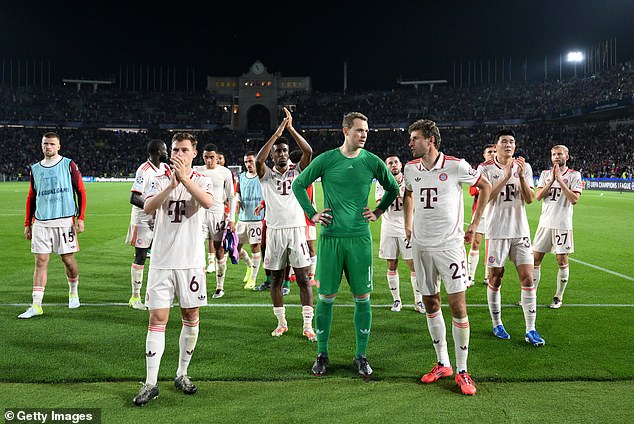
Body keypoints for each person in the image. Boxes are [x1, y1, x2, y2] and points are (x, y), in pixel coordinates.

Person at [293, 112, 399, 378]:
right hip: (331, 239)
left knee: (362, 299)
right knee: (326, 298)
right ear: (345, 131)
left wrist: (378, 211)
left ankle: (361, 356)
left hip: (359, 239)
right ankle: (322, 353)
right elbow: (299, 183)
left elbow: (393, 188)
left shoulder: (372, 161)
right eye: (359, 130)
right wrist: (312, 213)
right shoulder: (327, 159)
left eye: (366, 131)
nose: (364, 135)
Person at [403, 119, 490, 396]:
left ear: (430, 140)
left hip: (450, 246)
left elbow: (485, 186)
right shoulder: (410, 169)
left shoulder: (456, 165)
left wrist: (475, 224)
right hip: (420, 246)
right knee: (430, 302)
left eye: (415, 138)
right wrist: (408, 224)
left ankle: (463, 370)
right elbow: (407, 194)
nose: (410, 142)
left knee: (458, 306)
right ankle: (443, 363)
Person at [132, 132, 213, 407]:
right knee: (157, 318)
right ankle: (151, 382)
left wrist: (185, 180)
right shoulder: (157, 179)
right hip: (162, 261)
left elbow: (207, 202)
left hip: (190, 261)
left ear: (194, 152)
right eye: (175, 149)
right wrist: (171, 185)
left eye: (184, 150)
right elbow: (148, 206)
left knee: (191, 315)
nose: (178, 154)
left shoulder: (203, 179)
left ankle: (182, 373)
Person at [478, 128, 545, 346]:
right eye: (504, 141)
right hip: (496, 231)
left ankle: (531, 329)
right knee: (496, 278)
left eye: (512, 142)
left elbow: (530, 198)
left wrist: (522, 176)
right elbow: (486, 198)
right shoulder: (485, 168)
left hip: (520, 230)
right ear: (496, 146)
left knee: (528, 278)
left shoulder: (523, 167)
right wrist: (506, 177)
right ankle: (497, 323)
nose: (509, 145)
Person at [256, 107, 316, 341]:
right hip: (275, 232)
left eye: (284, 150)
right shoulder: (266, 174)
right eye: (277, 151)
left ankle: (307, 325)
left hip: (296, 231)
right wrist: (277, 132)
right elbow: (259, 159)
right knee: (276, 279)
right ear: (273, 155)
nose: (281, 154)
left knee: (302, 278)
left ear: (289, 154)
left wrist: (290, 129)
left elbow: (308, 151)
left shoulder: (298, 173)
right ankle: (281, 323)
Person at [19, 131, 87, 319]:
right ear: (41, 146)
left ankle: (73, 291)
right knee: (41, 261)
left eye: (51, 144)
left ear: (58, 146)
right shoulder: (35, 168)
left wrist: (80, 218)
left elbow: (80, 191)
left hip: (64, 221)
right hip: (41, 222)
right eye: (45, 144)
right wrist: (27, 223)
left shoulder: (68, 165)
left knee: (68, 260)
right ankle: (36, 305)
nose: (48, 147)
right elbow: (31, 196)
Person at [532, 145, 582, 309]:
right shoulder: (546, 174)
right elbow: (538, 196)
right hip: (544, 223)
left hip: (562, 225)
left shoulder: (574, 175)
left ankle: (558, 297)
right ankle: (530, 295)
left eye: (559, 154)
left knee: (562, 260)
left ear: (567, 156)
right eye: (553, 154)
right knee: (535, 260)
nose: (556, 157)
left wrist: (560, 180)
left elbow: (574, 199)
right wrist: (552, 180)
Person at [375, 154, 423, 313]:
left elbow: (415, 204)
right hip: (388, 228)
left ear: (401, 165)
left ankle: (419, 301)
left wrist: (400, 194)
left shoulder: (410, 181)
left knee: (413, 264)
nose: (393, 165)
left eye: (396, 162)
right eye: (390, 163)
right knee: (391, 264)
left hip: (407, 227)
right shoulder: (381, 183)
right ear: (386, 166)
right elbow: (380, 205)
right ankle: (397, 300)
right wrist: (395, 193)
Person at [125, 140, 169, 310]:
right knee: (141, 256)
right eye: (165, 149)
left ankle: (158, 296)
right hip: (143, 218)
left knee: (161, 257)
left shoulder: (166, 169)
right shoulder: (143, 170)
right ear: (158, 151)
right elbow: (134, 198)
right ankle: (135, 297)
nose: (167, 152)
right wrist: (152, 208)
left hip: (160, 218)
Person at [194, 144, 236, 299]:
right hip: (200, 216)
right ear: (202, 157)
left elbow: (231, 196)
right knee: (197, 250)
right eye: (206, 157)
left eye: (212, 157)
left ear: (218, 157)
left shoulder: (225, 172)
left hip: (217, 215)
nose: (209, 160)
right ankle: (199, 287)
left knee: (219, 250)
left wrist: (231, 219)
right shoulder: (197, 171)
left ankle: (220, 287)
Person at [466, 144, 496, 287]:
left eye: (494, 151)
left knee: (492, 246)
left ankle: (487, 276)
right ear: (484, 155)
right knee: (475, 242)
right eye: (489, 152)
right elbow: (472, 191)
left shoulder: (501, 169)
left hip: (496, 213)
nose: (492, 153)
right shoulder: (479, 170)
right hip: (480, 212)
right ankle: (470, 276)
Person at [235, 150, 264, 289]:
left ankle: (252, 278)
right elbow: (238, 192)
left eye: (251, 161)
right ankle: (249, 265)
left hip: (257, 218)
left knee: (254, 247)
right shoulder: (241, 176)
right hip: (242, 217)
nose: (248, 164)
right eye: (246, 161)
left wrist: (263, 204)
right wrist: (238, 201)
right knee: (234, 248)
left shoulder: (262, 176)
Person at [289, 149, 318, 288]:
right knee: (295, 246)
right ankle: (293, 273)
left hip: (307, 216)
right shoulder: (292, 174)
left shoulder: (309, 174)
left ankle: (311, 275)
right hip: (294, 216)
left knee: (309, 246)